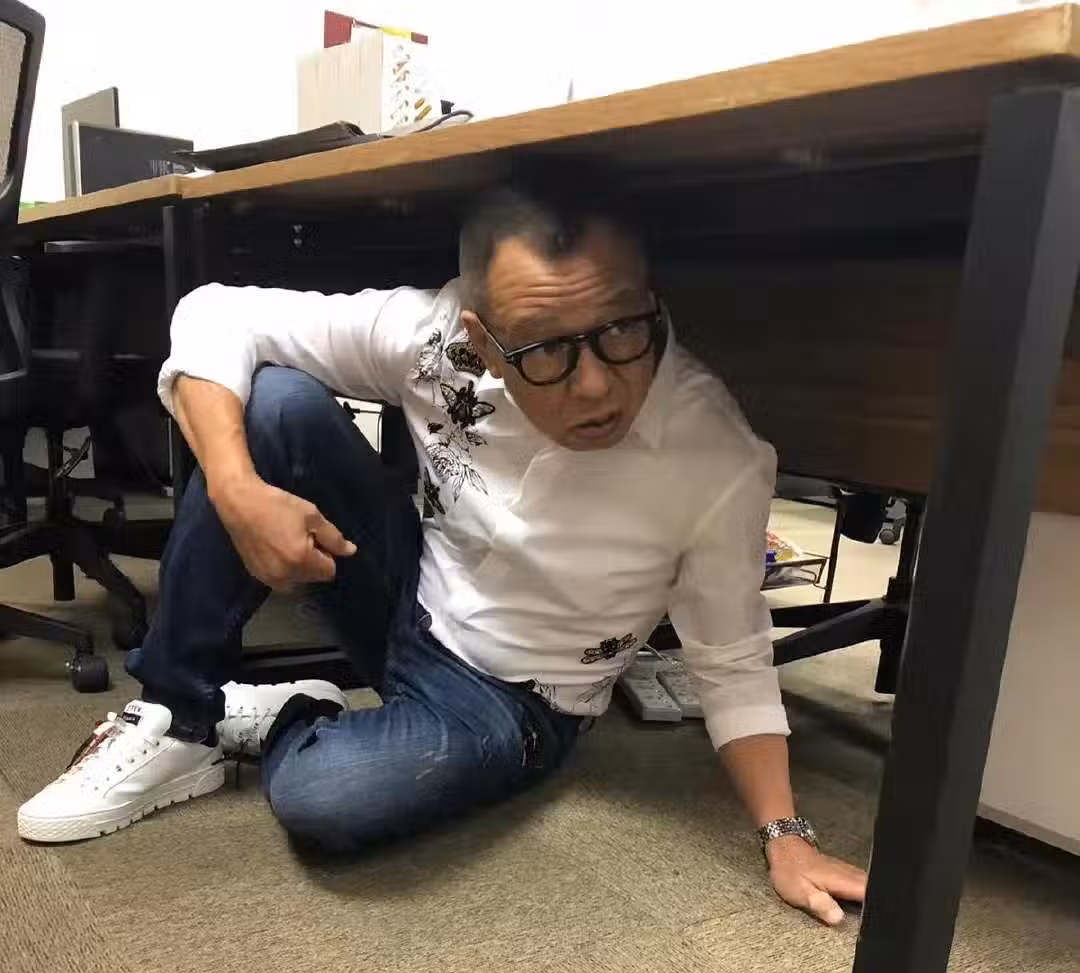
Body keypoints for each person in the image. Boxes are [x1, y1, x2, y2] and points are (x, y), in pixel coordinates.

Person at [17, 170, 866, 926]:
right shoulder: (431, 338)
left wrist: (785, 836)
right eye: (547, 350)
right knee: (274, 407)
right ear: (482, 341)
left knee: (327, 802)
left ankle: (288, 711)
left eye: (621, 330)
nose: (597, 383)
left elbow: (732, 657)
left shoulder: (714, 454)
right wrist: (237, 491)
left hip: (513, 699)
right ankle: (181, 715)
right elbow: (214, 311)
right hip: (407, 591)